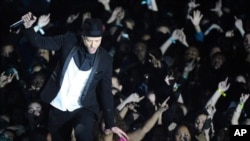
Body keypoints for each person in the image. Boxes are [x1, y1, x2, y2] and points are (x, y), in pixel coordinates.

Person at [21, 12, 129, 141]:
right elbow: (42, 42)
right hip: (59, 106)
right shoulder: (69, 40)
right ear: (83, 37)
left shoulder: (105, 59)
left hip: (83, 107)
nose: (93, 45)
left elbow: (106, 91)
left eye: (97, 41)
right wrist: (28, 28)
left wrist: (110, 123)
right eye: (89, 40)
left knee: (83, 134)